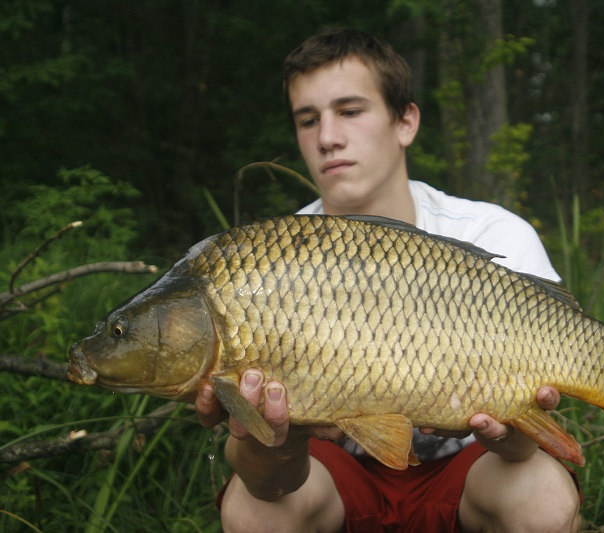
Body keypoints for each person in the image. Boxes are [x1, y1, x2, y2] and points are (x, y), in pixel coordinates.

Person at [196, 29, 582, 532]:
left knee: (543, 499)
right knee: (252, 513)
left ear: (406, 122)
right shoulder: (267, 262)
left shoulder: (494, 236)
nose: (327, 137)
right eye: (308, 120)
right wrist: (278, 441)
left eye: (349, 111)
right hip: (333, 481)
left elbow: (527, 443)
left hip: (472, 476)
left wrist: (512, 435)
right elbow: (268, 484)